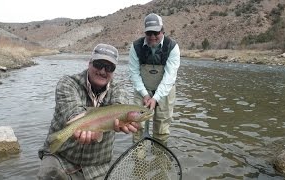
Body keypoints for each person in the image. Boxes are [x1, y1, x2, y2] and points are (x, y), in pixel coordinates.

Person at [37, 43, 139, 179]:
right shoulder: (68, 83)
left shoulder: (118, 89)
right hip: (61, 157)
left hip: (97, 166)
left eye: (109, 67)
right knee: (47, 173)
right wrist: (83, 123)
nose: (103, 71)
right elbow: (72, 110)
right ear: (89, 63)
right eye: (98, 64)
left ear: (114, 71)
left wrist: (122, 118)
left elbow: (121, 103)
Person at [129, 13, 180, 146]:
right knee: (137, 126)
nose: (152, 37)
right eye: (149, 33)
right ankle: (138, 160)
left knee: (162, 128)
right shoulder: (135, 47)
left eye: (156, 32)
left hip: (165, 90)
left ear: (162, 31)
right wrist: (145, 94)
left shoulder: (172, 47)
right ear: (145, 32)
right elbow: (134, 74)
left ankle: (160, 157)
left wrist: (156, 98)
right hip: (142, 90)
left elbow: (169, 77)